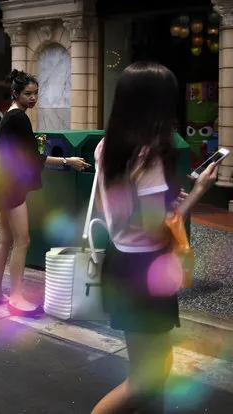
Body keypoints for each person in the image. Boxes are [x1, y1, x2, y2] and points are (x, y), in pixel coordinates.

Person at [92, 61, 220, 413]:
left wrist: (162, 201)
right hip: (143, 269)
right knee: (146, 377)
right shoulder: (147, 154)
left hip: (121, 260)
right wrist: (198, 193)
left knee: (155, 368)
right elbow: (154, 227)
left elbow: (120, 209)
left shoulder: (107, 147)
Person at [0, 69, 91, 317]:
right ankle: (16, 298)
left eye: (35, 93)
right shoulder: (19, 118)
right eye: (28, 94)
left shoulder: (9, 116)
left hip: (1, 184)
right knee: (23, 241)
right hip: (12, 187)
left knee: (5, 240)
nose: (33, 98)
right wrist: (67, 161)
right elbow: (32, 157)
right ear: (15, 93)